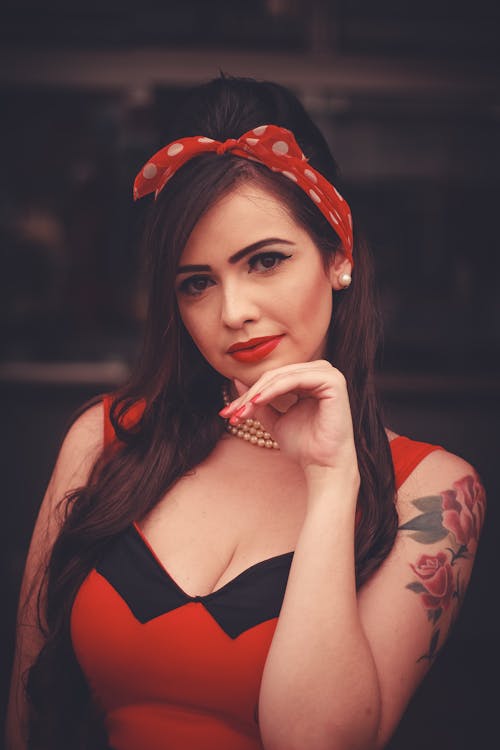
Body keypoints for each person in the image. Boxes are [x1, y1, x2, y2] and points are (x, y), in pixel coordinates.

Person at [6, 73, 486, 750]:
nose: (232, 312)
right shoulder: (107, 438)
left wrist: (330, 480)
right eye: (197, 283)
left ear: (339, 256)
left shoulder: (434, 492)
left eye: (264, 261)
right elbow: (26, 711)